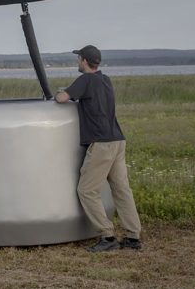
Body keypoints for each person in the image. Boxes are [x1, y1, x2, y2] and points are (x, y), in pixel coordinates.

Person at [55, 45, 142, 252]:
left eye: (79, 59)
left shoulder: (85, 80)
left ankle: (107, 235)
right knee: (121, 190)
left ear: (85, 61)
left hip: (101, 143)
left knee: (86, 190)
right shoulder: (105, 80)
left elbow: (61, 98)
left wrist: (60, 91)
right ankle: (133, 237)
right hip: (118, 140)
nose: (78, 62)